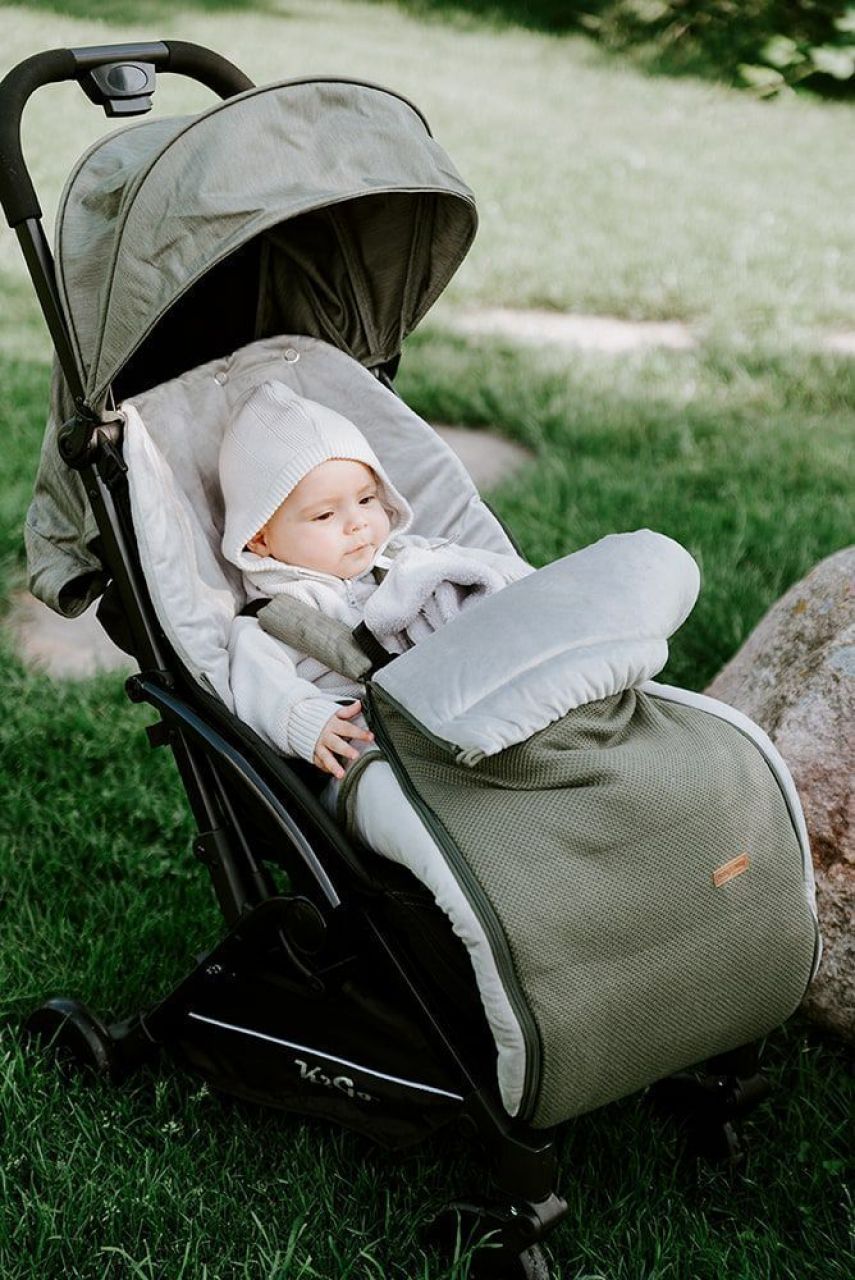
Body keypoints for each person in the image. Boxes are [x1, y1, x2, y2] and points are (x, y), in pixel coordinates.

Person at [218, 379, 531, 785]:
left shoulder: (409, 559)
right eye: (325, 516)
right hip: (372, 747)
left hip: (460, 707)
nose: (358, 523)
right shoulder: (270, 621)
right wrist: (309, 721)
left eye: (366, 500)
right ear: (259, 538)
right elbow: (261, 689)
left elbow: (487, 575)